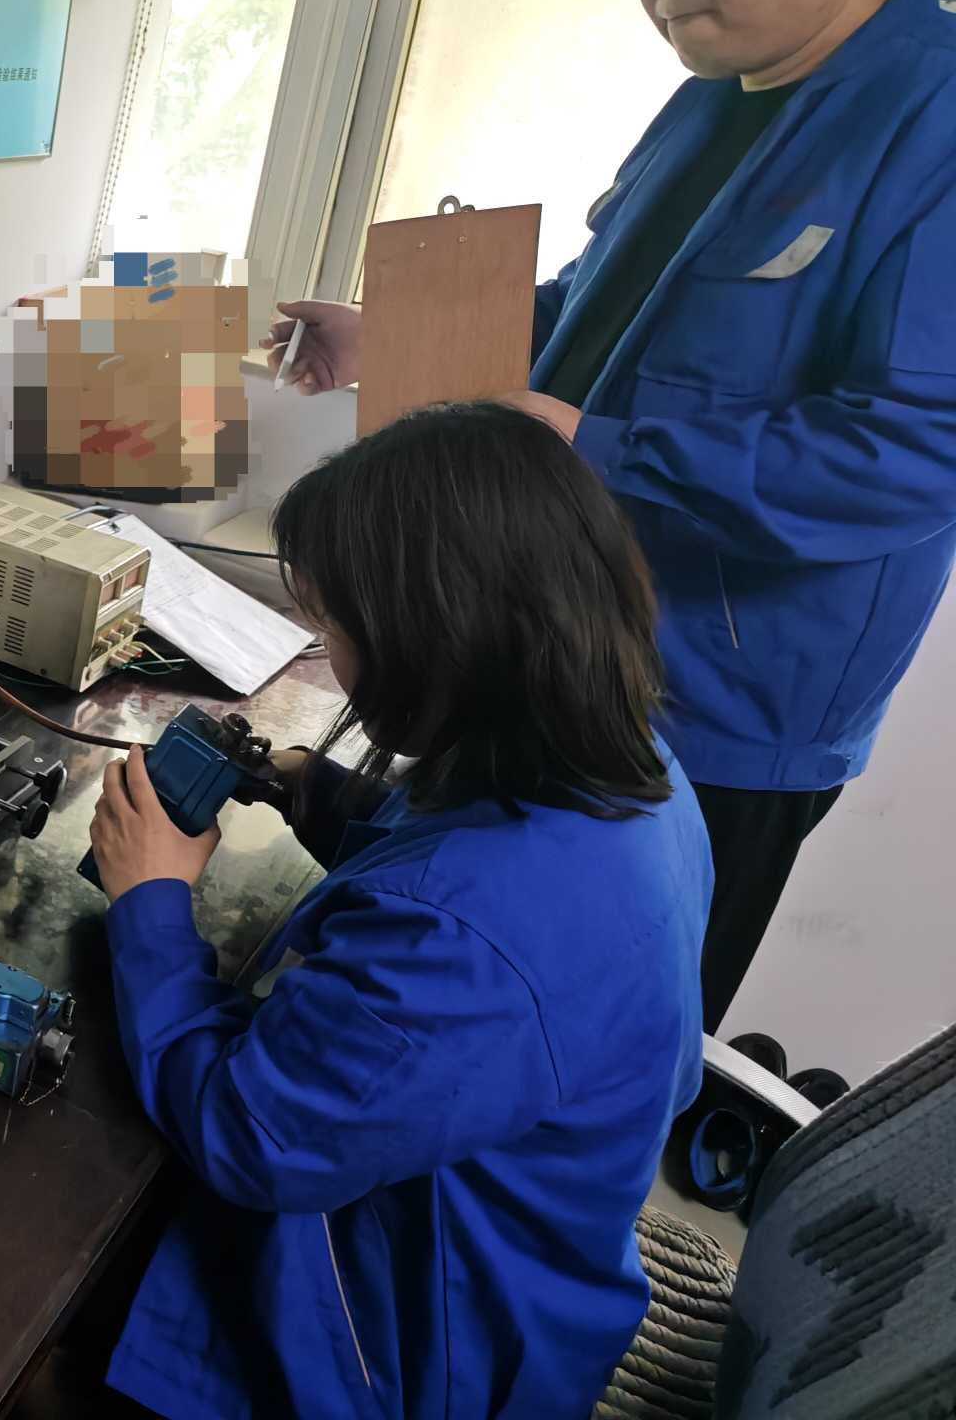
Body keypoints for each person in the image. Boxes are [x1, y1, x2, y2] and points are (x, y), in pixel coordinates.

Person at [272, 0, 956, 1034]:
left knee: (587, 1044)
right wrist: (394, 336)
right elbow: (591, 316)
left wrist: (598, 451)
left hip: (711, 712)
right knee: (438, 990)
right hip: (543, 645)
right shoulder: (711, 98)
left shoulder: (932, 124)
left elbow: (910, 453)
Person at [85, 404, 713, 1418]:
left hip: (406, 1356)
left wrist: (150, 901)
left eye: (333, 627)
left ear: (435, 642)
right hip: (538, 1262)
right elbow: (463, 857)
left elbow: (250, 1135)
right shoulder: (639, 777)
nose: (327, 650)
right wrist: (320, 794)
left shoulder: (461, 946)